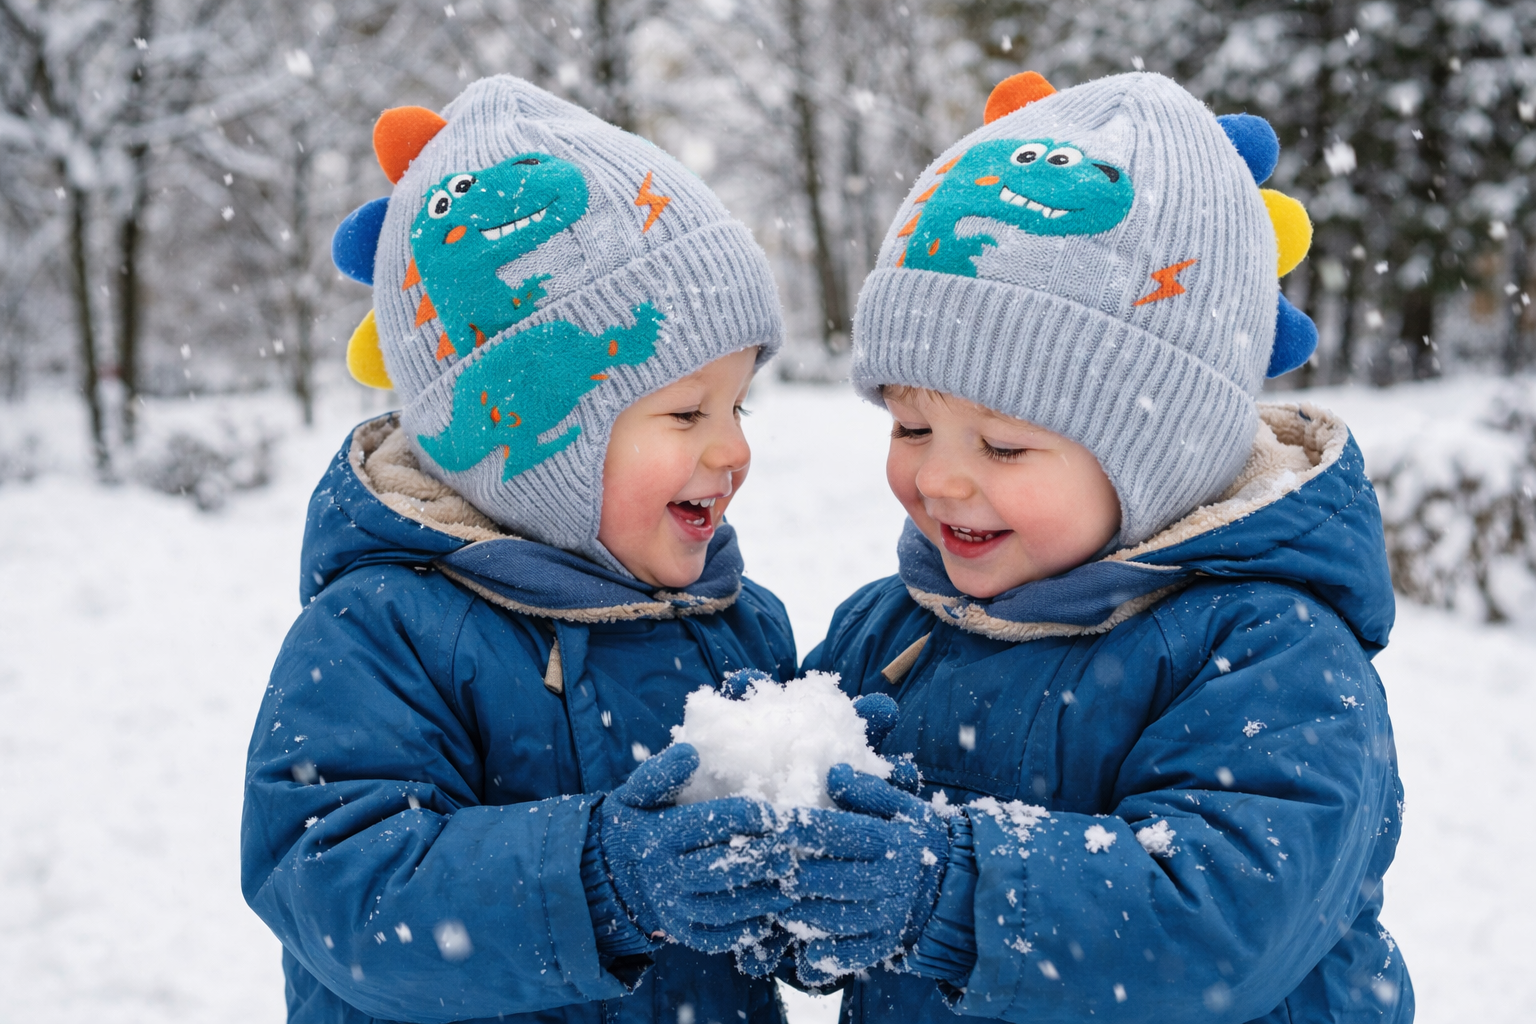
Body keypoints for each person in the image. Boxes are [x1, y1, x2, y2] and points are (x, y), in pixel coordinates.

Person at [786, 71, 1413, 1023]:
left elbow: (1218, 928)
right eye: (911, 428)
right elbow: (812, 856)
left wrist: (943, 894)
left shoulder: (1274, 653)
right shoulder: (893, 630)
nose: (941, 480)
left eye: (1003, 445)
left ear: (1159, 457)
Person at [241, 76, 800, 1024]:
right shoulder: (384, 630)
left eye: (737, 406)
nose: (734, 448)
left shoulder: (734, 624)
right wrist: (594, 884)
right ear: (543, 436)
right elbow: (340, 885)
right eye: (685, 412)